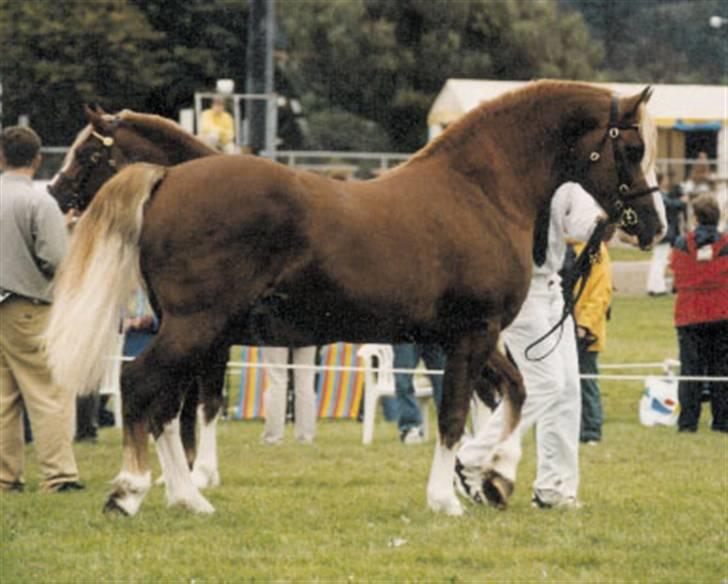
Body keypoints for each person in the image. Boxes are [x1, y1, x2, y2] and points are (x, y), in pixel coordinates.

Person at [456, 182, 604, 510]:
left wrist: (608, 214)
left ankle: (554, 487)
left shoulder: (567, 180)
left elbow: (584, 225)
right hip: (520, 287)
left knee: (567, 389)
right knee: (546, 383)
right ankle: (471, 459)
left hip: (552, 287)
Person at [0, 126, 82, 492]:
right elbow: (55, 258)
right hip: (29, 306)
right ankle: (58, 474)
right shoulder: (39, 202)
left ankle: (5, 477)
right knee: (48, 392)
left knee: (3, 399)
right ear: (37, 159)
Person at [670, 194, 728, 433]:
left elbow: (676, 275)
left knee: (690, 371)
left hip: (689, 315)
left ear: (694, 217)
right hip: (722, 313)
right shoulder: (725, 244)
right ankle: (723, 421)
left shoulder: (682, 244)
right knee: (722, 371)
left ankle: (688, 422)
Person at [571, 236, 613, 444]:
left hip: (585, 329)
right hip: (558, 325)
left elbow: (601, 290)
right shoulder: (557, 247)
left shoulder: (594, 251)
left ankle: (591, 429)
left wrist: (584, 324)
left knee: (586, 380)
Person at [260, 346, 318, 444]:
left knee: (276, 378)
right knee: (306, 378)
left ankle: (273, 437)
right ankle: (305, 437)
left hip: (275, 333)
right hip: (307, 333)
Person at [393, 343, 445, 444]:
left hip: (434, 330)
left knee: (444, 380)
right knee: (403, 380)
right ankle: (410, 428)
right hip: (405, 333)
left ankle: (450, 426)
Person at [647, 173, 686, 296]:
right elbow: (670, 204)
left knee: (658, 259)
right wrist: (682, 201)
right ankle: (657, 288)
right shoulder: (658, 195)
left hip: (659, 231)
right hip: (663, 231)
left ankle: (654, 286)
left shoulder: (658, 194)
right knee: (660, 260)